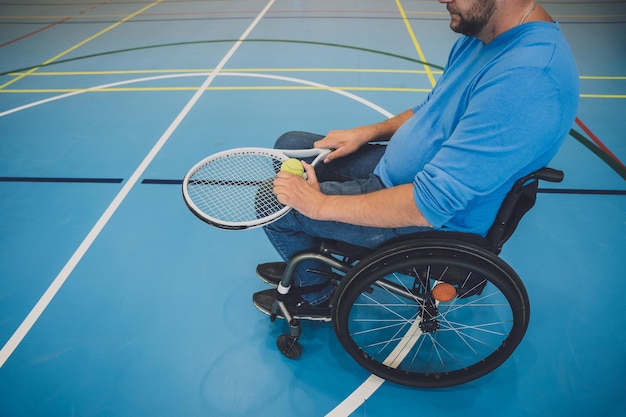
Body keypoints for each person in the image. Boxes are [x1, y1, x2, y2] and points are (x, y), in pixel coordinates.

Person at [253, 0, 579, 321]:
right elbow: (432, 108)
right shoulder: (483, 35)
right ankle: (312, 264)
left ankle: (318, 295)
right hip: (401, 173)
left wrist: (318, 206)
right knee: (291, 146)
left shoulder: (527, 79)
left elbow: (429, 204)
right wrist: (369, 132)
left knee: (272, 199)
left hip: (428, 216)